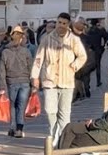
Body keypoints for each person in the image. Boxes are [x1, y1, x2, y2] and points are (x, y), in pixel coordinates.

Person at [31, 13, 88, 142]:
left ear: (68, 25)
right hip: (49, 81)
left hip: (67, 81)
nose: (61, 25)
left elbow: (82, 56)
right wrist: (35, 77)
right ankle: (53, 132)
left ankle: (62, 140)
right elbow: (39, 59)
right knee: (50, 111)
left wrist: (74, 66)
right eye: (59, 22)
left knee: (64, 114)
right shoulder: (46, 39)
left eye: (64, 23)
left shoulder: (74, 40)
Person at [0, 27, 33, 139]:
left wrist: (2, 86)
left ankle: (12, 127)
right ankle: (19, 128)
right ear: (22, 38)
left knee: (12, 105)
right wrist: (34, 84)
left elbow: (1, 71)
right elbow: (31, 68)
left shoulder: (5, 52)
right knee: (21, 106)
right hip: (25, 82)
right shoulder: (26, 51)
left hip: (11, 81)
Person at [86, 20, 108, 88]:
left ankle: (87, 84)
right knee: (98, 66)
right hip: (98, 50)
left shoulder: (88, 31)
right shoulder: (100, 30)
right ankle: (98, 82)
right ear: (97, 23)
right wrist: (103, 46)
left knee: (89, 67)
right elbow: (106, 36)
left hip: (90, 50)